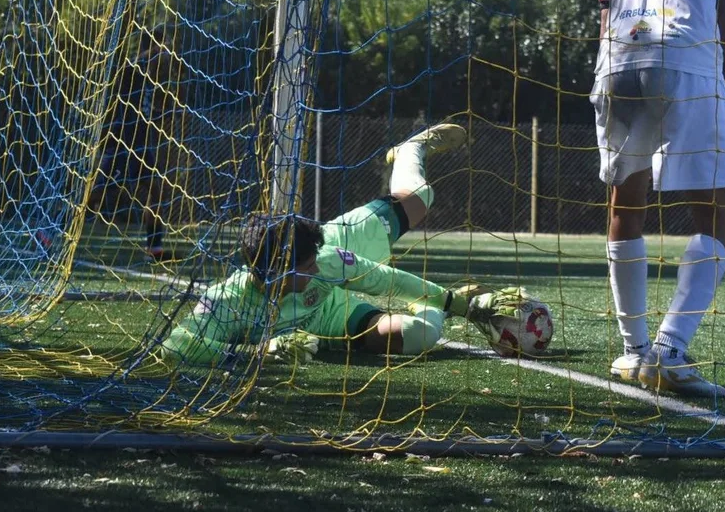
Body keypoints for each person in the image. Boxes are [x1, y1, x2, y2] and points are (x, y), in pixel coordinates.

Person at [162, 123, 519, 366]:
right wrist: (261, 351)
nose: (316, 268)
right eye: (307, 268)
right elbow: (175, 344)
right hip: (329, 318)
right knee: (418, 336)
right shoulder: (227, 301)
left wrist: (463, 307)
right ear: (276, 273)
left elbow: (388, 280)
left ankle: (410, 149)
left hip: (343, 239)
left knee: (420, 196)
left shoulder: (327, 257)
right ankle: (429, 307)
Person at [592, 0, 725, 397]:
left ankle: (633, 350)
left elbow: (605, 11)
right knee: (721, 210)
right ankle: (669, 350)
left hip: (617, 58)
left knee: (625, 203)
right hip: (685, 57)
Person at [86, 28, 172, 260]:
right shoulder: (133, 69)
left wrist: (159, 113)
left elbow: (142, 107)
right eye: (162, 47)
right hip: (122, 143)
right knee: (95, 195)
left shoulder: (151, 75)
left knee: (156, 190)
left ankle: (154, 248)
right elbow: (125, 94)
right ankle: (53, 230)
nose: (165, 53)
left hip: (141, 144)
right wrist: (152, 53)